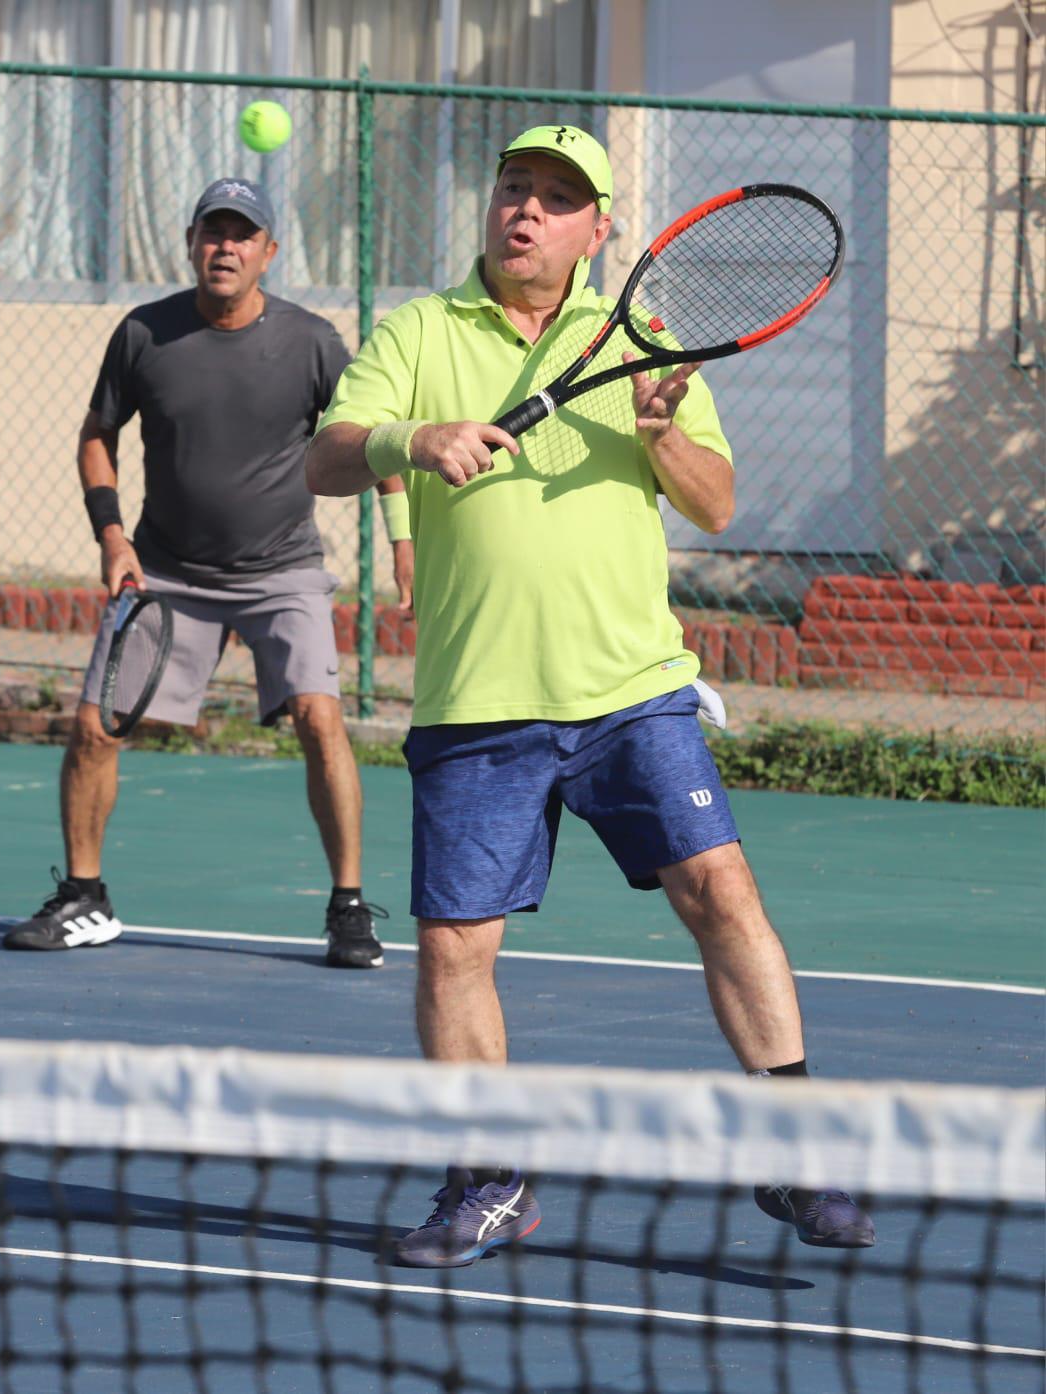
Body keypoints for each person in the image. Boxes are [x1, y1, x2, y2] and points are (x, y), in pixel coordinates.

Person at [306, 127, 875, 1260]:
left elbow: (714, 504)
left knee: (722, 892)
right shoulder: (419, 331)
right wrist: (417, 439)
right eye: (513, 185)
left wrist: (663, 438)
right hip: (476, 704)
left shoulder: (650, 341)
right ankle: (489, 1180)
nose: (525, 209)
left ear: (598, 231)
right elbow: (325, 453)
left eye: (556, 198)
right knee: (454, 948)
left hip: (632, 691)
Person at [3, 178, 411, 969]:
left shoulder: (313, 342)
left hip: (282, 569)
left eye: (242, 235)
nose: (225, 247)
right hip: (164, 570)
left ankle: (349, 909)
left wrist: (401, 538)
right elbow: (97, 437)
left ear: (268, 253)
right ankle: (85, 897)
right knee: (95, 726)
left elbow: (374, 438)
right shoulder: (142, 335)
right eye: (212, 233)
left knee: (321, 719)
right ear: (192, 244)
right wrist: (111, 538)